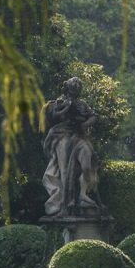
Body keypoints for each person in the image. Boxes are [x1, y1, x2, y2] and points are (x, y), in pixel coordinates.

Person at [41, 77, 105, 216]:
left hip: (78, 135)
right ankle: (65, 203)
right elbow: (52, 117)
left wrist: (84, 124)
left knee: (88, 164)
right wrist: (66, 108)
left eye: (78, 88)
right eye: (73, 87)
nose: (75, 90)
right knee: (64, 170)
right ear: (67, 87)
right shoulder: (58, 102)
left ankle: (82, 194)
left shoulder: (82, 104)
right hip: (61, 135)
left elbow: (94, 116)